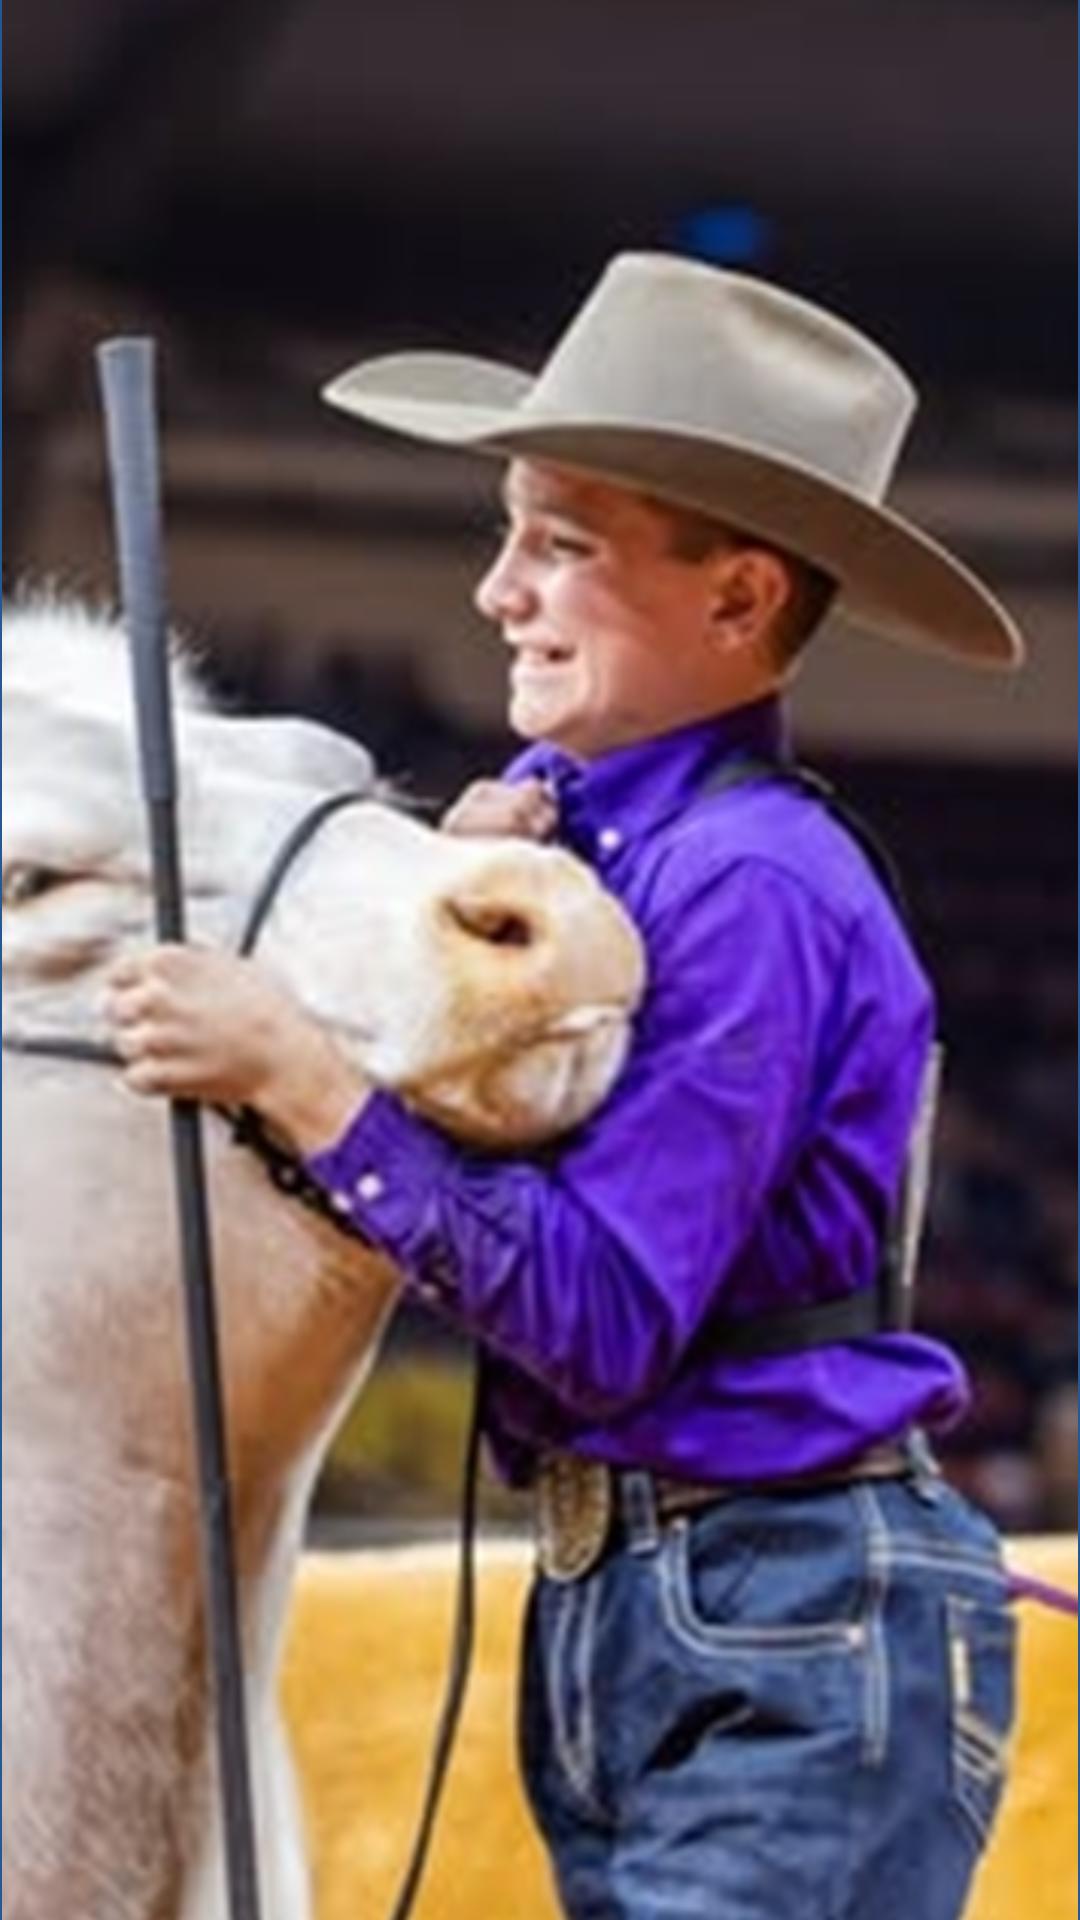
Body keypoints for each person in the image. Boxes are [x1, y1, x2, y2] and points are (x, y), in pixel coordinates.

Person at [107, 253, 1024, 1919]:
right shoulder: (577, 845)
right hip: (673, 1593)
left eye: (560, 545)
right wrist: (423, 969)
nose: (496, 593)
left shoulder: (752, 885)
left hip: (780, 1597)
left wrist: (309, 1073)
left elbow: (599, 1315)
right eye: (511, 533)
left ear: (741, 601)